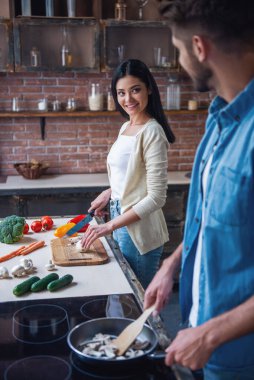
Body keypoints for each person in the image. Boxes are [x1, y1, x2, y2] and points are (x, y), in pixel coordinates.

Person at [144, 0, 254, 379]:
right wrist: (171, 266)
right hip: (202, 336)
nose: (179, 61)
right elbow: (215, 221)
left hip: (239, 358)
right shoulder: (221, 118)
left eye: (178, 50)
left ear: (199, 47)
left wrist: (209, 336)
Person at [81, 59, 175, 289]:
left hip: (138, 231)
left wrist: (109, 226)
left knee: (136, 303)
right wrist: (110, 193)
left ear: (149, 89)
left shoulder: (152, 132)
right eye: (121, 92)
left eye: (135, 90)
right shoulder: (126, 127)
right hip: (119, 218)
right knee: (121, 297)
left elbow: (156, 197)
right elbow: (131, 176)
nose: (128, 99)